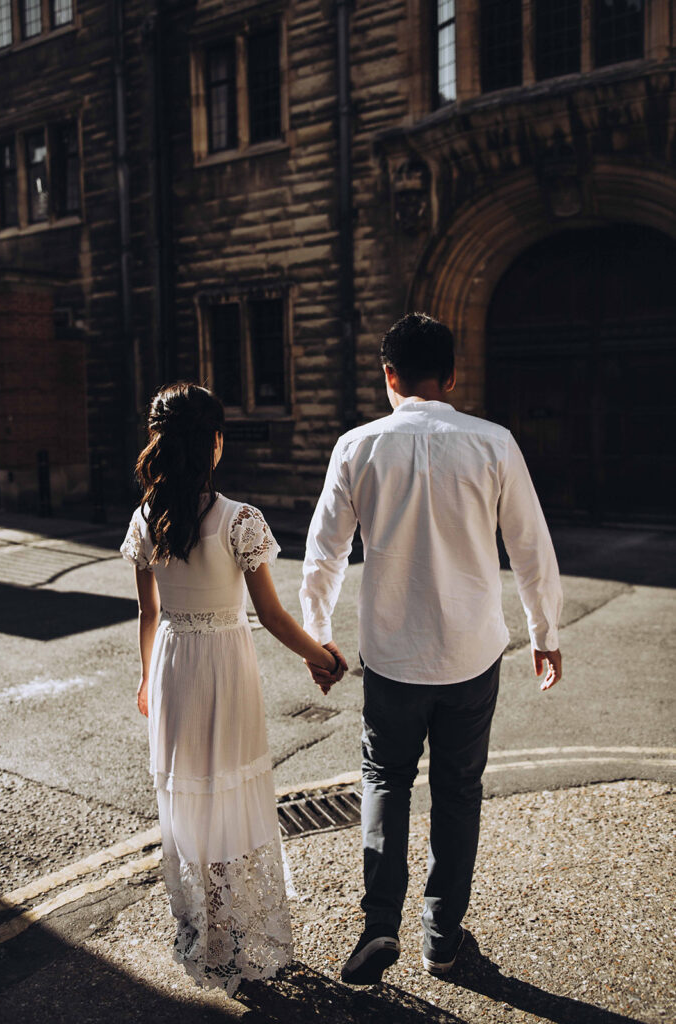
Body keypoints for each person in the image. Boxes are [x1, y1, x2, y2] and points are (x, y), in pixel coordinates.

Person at [300, 313, 563, 985]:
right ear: (451, 376)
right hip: (471, 654)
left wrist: (317, 636)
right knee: (457, 793)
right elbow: (530, 549)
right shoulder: (492, 442)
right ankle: (441, 941)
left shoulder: (356, 446)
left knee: (385, 779)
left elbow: (324, 552)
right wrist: (545, 634)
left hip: (390, 655)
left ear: (387, 376)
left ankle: (379, 923)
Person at [120, 382, 341, 996]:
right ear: (214, 443)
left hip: (172, 662)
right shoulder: (238, 519)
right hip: (223, 663)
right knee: (227, 785)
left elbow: (148, 613)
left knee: (189, 788)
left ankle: (209, 922)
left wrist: (145, 680)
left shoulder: (145, 519)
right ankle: (231, 922)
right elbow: (271, 617)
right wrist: (323, 656)